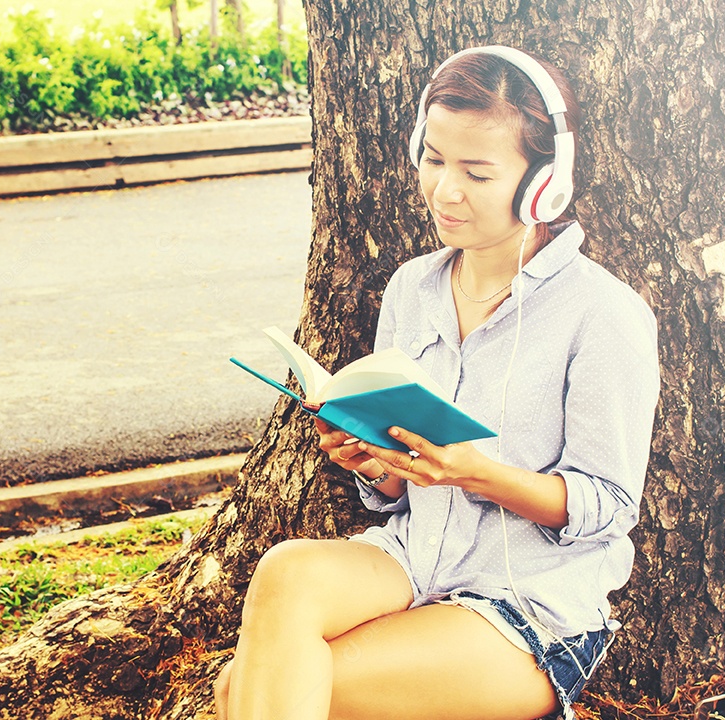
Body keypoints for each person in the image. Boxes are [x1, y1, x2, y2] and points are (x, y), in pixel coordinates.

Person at [214, 45, 660, 720]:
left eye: (476, 172)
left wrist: (474, 473)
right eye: (435, 159)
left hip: (529, 610)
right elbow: (394, 497)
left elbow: (606, 506)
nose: (445, 190)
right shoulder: (413, 289)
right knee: (285, 572)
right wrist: (371, 459)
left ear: (545, 183)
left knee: (251, 689)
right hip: (413, 562)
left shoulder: (603, 314)